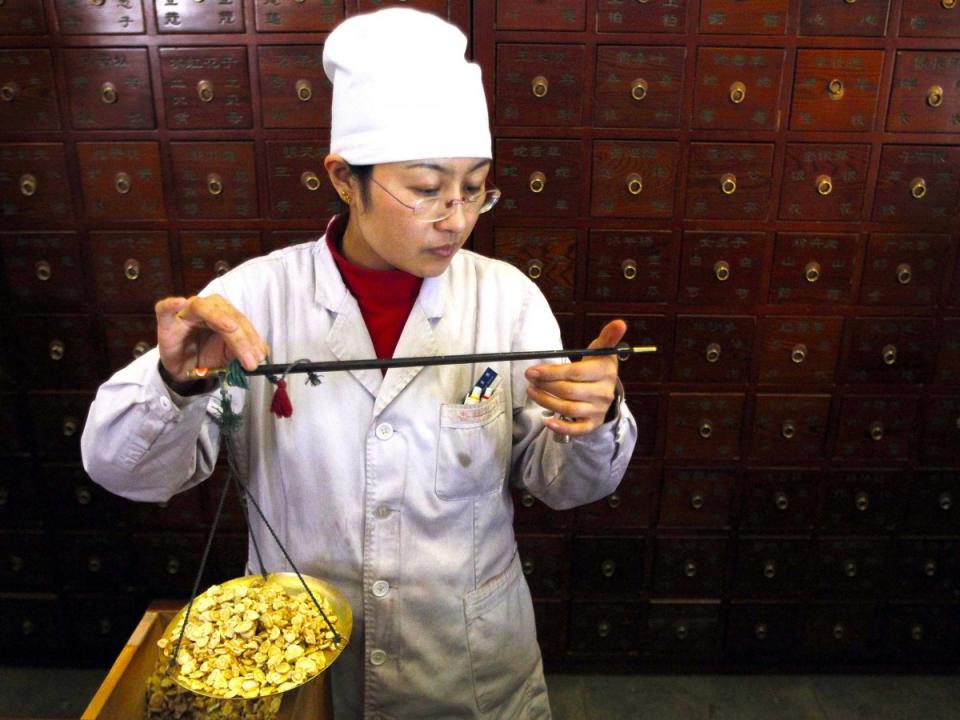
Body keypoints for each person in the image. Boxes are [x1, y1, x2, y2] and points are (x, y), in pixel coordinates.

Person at [82, 8, 638, 719]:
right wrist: (173, 387)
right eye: (427, 188)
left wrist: (595, 420)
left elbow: (563, 487)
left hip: (464, 667)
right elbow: (123, 472)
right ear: (345, 178)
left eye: (474, 188)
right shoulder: (250, 300)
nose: (457, 218)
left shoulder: (506, 299)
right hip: (294, 657)